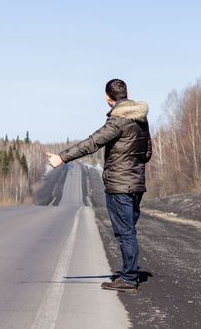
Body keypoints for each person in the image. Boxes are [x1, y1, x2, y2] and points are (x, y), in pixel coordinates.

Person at [47, 78, 152, 292]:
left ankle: (129, 279)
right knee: (129, 230)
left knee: (125, 232)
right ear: (126, 92)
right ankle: (128, 274)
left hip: (119, 185)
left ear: (108, 99)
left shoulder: (117, 121)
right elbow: (147, 153)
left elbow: (91, 143)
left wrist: (62, 158)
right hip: (137, 184)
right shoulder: (141, 120)